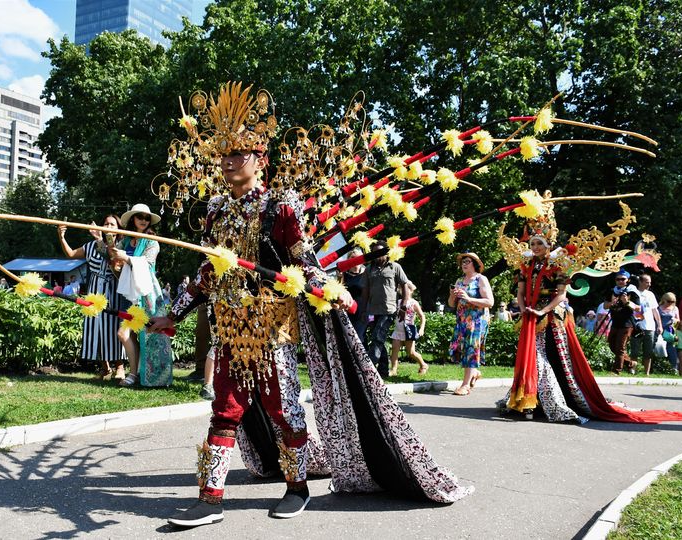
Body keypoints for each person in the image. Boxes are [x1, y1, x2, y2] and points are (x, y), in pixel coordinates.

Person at [148, 82, 471, 528]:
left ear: (260, 160)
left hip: (272, 328)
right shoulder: (216, 211)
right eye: (222, 156)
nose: (225, 163)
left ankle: (297, 487)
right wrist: (175, 313)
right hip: (228, 328)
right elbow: (207, 272)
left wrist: (329, 289)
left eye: (236, 155)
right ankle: (209, 499)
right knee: (224, 410)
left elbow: (304, 260)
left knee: (286, 411)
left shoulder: (281, 206)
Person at [495, 193, 682, 424]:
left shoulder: (558, 264)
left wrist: (541, 310)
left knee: (543, 359)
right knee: (528, 358)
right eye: (533, 243)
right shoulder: (526, 264)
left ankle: (543, 402)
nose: (536, 246)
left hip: (551, 317)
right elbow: (520, 291)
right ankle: (524, 400)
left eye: (540, 243)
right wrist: (524, 309)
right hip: (530, 316)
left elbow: (561, 295)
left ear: (548, 243)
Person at [58, 215, 126, 380]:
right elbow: (71, 254)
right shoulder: (90, 246)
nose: (108, 226)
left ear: (118, 229)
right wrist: (61, 236)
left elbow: (112, 259)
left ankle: (120, 367)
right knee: (96, 328)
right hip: (95, 291)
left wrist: (101, 241)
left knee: (113, 325)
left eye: (112, 224)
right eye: (106, 223)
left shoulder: (121, 247)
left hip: (114, 290)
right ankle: (104, 368)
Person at [112, 203, 173, 387]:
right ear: (133, 219)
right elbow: (115, 263)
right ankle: (136, 373)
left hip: (147, 294)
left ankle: (139, 375)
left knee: (144, 334)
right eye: (140, 217)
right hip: (128, 292)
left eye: (147, 218)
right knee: (125, 334)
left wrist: (126, 258)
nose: (144, 221)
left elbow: (147, 264)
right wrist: (113, 255)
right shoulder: (125, 240)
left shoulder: (152, 242)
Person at [448, 252, 493, 395]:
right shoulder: (459, 280)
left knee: (471, 349)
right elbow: (451, 304)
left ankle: (465, 385)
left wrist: (468, 298)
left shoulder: (481, 279)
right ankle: (475, 373)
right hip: (462, 319)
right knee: (461, 349)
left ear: (475, 263)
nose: (464, 264)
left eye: (467, 261)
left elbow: (489, 302)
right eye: (462, 262)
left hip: (477, 320)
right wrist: (452, 295)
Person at [363, 241, 411, 377]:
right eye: (374, 253)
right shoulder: (369, 269)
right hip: (372, 310)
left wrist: (403, 306)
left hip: (389, 310)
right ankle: (383, 370)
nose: (377, 255)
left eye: (379, 252)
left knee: (377, 337)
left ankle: (369, 369)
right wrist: (364, 310)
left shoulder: (395, 267)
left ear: (386, 252)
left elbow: (405, 286)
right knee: (378, 339)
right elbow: (365, 290)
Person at [389, 282, 428, 376]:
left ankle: (423, 365)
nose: (404, 291)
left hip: (408, 331)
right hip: (398, 330)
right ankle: (393, 370)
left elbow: (422, 316)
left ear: (411, 291)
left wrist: (421, 329)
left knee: (410, 352)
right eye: (402, 289)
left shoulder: (414, 303)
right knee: (394, 349)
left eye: (407, 289)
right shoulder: (398, 302)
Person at [605, 270, 640, 374]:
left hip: (627, 323)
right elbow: (604, 305)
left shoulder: (632, 292)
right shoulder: (612, 291)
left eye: (623, 279)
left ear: (628, 280)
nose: (620, 281)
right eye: (618, 279)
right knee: (612, 344)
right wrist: (611, 303)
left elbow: (638, 308)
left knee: (620, 346)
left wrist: (627, 302)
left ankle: (616, 370)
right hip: (615, 322)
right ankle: (630, 363)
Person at [631, 273, 662, 375]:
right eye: (647, 282)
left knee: (648, 351)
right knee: (635, 350)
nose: (649, 284)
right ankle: (633, 370)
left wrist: (659, 325)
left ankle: (647, 372)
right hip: (637, 326)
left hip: (649, 326)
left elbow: (655, 310)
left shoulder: (650, 295)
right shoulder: (633, 293)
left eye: (650, 282)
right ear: (640, 281)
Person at [341, 248, 368, 343]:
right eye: (353, 257)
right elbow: (339, 289)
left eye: (358, 258)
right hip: (348, 310)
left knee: (358, 337)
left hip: (363, 311)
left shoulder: (367, 272)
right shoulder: (343, 273)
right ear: (349, 259)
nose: (356, 260)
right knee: (350, 337)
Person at [657, 292, 680, 373]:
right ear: (664, 300)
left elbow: (678, 320)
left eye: (672, 302)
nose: (670, 303)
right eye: (668, 301)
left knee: (671, 349)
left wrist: (676, 321)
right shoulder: (658, 308)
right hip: (659, 330)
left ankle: (674, 368)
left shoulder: (675, 308)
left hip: (670, 331)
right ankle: (658, 367)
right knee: (659, 348)